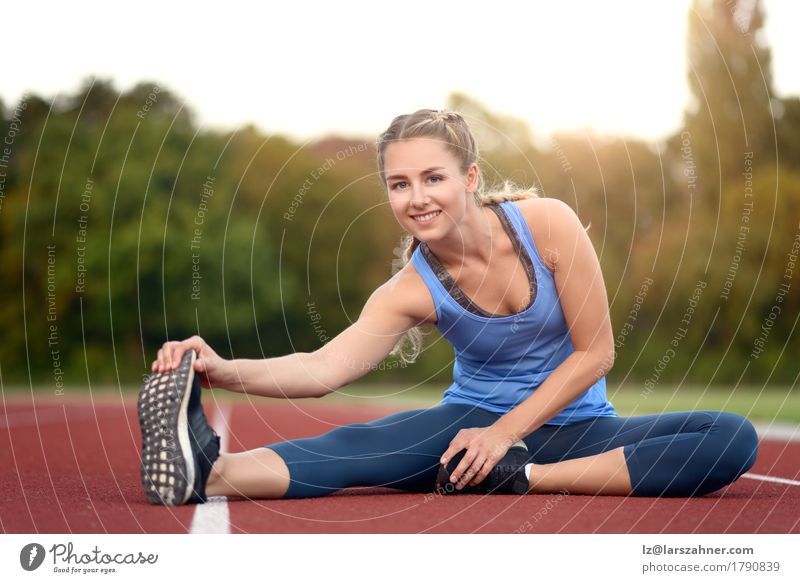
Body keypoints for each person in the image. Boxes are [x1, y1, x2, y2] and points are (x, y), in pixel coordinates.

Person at [138, 108, 759, 505]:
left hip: (576, 429)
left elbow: (597, 353)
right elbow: (325, 369)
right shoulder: (411, 288)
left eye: (432, 178)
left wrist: (505, 446)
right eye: (398, 184)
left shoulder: (548, 226)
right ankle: (207, 472)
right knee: (358, 448)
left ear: (469, 178)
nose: (416, 198)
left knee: (729, 438)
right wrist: (220, 369)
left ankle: (522, 479)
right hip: (465, 427)